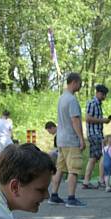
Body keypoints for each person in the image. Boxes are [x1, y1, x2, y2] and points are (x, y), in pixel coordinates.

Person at [48, 72, 86, 207]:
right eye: (80, 83)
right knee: (73, 169)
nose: (81, 86)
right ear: (74, 82)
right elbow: (75, 120)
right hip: (71, 140)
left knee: (60, 168)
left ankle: (54, 195)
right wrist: (81, 138)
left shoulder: (61, 98)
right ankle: (71, 198)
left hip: (61, 139)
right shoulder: (72, 100)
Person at [82, 84, 111, 189]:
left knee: (93, 158)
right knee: (103, 155)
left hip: (96, 133)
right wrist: (103, 120)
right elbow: (88, 118)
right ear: (98, 93)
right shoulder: (92, 103)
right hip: (95, 134)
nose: (104, 97)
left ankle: (86, 181)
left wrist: (103, 120)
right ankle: (101, 180)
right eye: (103, 94)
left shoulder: (98, 104)